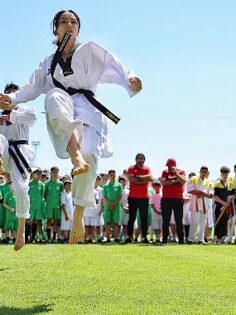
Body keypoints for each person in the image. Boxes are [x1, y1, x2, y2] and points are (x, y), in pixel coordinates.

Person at [0, 10, 142, 244]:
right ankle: (75, 157)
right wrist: (12, 99)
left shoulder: (90, 51)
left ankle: (78, 214)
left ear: (78, 29)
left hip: (89, 108)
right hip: (62, 109)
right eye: (63, 22)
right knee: (54, 96)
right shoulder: (47, 63)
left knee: (90, 154)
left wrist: (132, 81)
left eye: (73, 22)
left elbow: (117, 67)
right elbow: (31, 88)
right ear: (55, 29)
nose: (69, 25)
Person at [0, 83, 36, 250]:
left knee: (21, 190)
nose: (11, 96)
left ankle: (21, 230)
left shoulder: (25, 111)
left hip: (21, 152)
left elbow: (31, 118)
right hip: (4, 152)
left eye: (14, 94)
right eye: (8, 93)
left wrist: (11, 113)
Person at [126, 153, 153, 243]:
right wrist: (143, 180)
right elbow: (131, 180)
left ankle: (144, 237)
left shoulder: (147, 168)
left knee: (144, 218)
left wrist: (137, 177)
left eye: (141, 158)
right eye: (138, 158)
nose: (140, 160)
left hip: (144, 197)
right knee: (131, 218)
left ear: (144, 160)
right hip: (133, 197)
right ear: (136, 159)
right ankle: (129, 236)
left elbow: (149, 177)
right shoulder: (131, 168)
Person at [160, 158, 186, 244]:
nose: (168, 168)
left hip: (178, 199)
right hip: (166, 199)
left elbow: (182, 181)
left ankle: (181, 240)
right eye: (167, 166)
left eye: (170, 166)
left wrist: (176, 174)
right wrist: (175, 181)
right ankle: (164, 239)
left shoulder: (181, 171)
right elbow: (163, 183)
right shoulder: (165, 172)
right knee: (165, 220)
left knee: (179, 220)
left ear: (174, 165)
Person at [187, 166, 214, 244]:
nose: (204, 173)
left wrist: (209, 194)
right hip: (196, 204)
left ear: (207, 173)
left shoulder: (209, 182)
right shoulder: (193, 179)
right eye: (203, 171)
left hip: (205, 204)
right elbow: (190, 190)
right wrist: (201, 193)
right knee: (194, 221)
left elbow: (211, 192)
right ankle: (191, 239)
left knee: (203, 222)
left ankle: (200, 239)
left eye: (205, 172)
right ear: (200, 171)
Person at [213, 166, 235, 244]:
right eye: (223, 174)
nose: (225, 175)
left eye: (226, 174)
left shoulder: (230, 184)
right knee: (218, 220)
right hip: (219, 206)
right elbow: (215, 196)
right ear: (221, 174)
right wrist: (223, 203)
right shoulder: (217, 183)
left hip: (227, 207)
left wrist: (230, 197)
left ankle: (223, 237)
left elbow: (234, 194)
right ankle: (216, 237)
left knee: (225, 221)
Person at [44, 166, 64, 242]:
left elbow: (62, 195)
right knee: (49, 221)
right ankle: (48, 237)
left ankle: (54, 238)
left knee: (55, 221)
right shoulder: (47, 184)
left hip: (57, 205)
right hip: (49, 205)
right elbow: (45, 194)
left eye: (56, 172)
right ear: (50, 173)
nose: (55, 174)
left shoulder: (60, 184)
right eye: (54, 172)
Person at [103, 170, 122, 243]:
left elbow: (120, 196)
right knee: (108, 223)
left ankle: (116, 238)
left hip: (116, 207)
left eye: (114, 174)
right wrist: (110, 204)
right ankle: (108, 238)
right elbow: (104, 197)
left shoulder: (118, 185)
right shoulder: (105, 186)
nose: (112, 176)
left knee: (116, 223)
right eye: (111, 174)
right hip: (107, 207)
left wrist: (114, 204)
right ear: (108, 176)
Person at [28, 168, 45, 243]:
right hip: (30, 206)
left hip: (38, 207)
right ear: (33, 174)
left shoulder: (42, 185)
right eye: (37, 174)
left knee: (37, 222)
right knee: (29, 222)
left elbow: (42, 196)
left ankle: (35, 238)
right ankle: (27, 237)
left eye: (39, 174)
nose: (38, 175)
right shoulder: (29, 183)